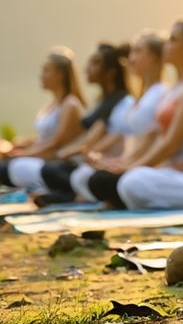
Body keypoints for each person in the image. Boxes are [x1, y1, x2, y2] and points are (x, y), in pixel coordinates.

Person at [86, 17, 183, 208]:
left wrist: (133, 166)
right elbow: (153, 136)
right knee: (110, 178)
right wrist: (126, 162)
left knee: (133, 181)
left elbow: (172, 143)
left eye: (173, 40)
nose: (167, 46)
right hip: (163, 171)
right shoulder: (174, 89)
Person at [46, 32, 168, 203]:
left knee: (106, 180)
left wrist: (126, 163)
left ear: (156, 57)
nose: (131, 59)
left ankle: (74, 197)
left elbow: (154, 137)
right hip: (133, 161)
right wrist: (117, 161)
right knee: (84, 176)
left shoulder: (160, 94)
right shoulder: (139, 98)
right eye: (132, 52)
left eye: (138, 52)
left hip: (150, 166)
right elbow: (127, 139)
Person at [32, 43, 133, 205]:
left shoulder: (121, 102)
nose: (87, 69)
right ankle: (71, 195)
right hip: (91, 160)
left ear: (111, 73)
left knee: (69, 173)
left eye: (95, 63)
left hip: (107, 161)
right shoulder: (102, 102)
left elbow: (98, 140)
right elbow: (88, 140)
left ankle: (71, 197)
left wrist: (67, 153)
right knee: (53, 170)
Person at [0, 48, 86, 189]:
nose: (42, 76)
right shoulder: (51, 106)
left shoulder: (70, 104)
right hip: (46, 159)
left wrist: (22, 155)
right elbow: (42, 139)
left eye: (47, 71)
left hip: (62, 164)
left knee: (14, 166)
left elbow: (55, 143)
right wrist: (14, 146)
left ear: (60, 74)